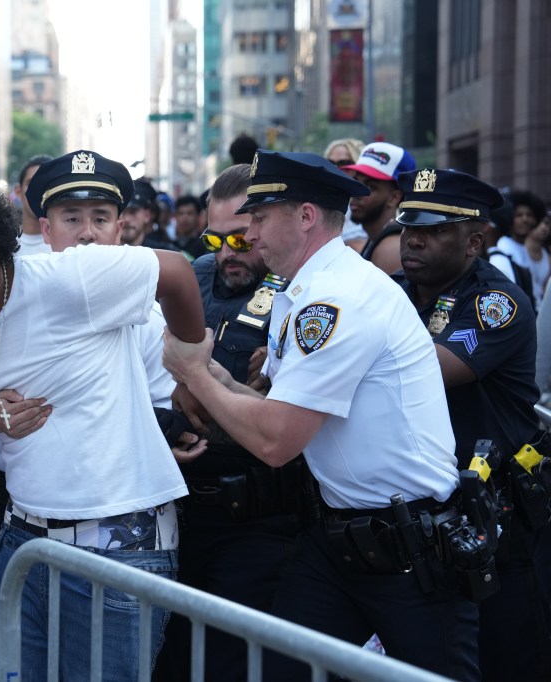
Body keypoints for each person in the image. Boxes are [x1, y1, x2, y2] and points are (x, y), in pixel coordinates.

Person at [0, 152, 206, 681]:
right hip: (21, 538)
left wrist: (189, 366)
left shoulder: (73, 278)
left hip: (119, 540)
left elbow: (179, 273)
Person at [162, 150, 479, 680]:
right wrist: (217, 378)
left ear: (306, 217)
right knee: (276, 665)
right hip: (340, 542)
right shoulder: (304, 293)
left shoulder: (339, 301)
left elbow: (277, 441)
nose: (251, 233)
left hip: (410, 550)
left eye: (260, 217)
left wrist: (195, 376)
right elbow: (281, 411)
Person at [155, 164, 312, 682]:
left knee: (230, 665)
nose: (227, 252)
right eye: (215, 237)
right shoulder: (191, 277)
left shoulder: (304, 296)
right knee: (169, 659)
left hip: (260, 521)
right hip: (178, 512)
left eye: (240, 238)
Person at [394, 167, 551, 681]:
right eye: (408, 225)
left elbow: (434, 371)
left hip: (495, 517)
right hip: (422, 516)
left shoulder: (494, 302)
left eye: (434, 229)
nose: (412, 238)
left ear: (474, 241)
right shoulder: (394, 292)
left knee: (506, 658)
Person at [344, 141, 416, 274]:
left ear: (394, 198)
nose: (357, 193)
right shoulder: (377, 238)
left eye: (370, 187)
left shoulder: (390, 249)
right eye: (356, 182)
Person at [323, 137, 367, 248]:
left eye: (345, 164)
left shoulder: (365, 205)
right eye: (330, 163)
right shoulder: (319, 200)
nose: (336, 169)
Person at [14, 154, 54, 256]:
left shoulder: (71, 247)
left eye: (48, 183)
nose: (40, 191)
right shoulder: (2, 247)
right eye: (32, 183)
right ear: (18, 192)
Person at [121, 179, 158, 247]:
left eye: (133, 212)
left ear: (147, 215)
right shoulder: (105, 253)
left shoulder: (162, 254)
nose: (126, 219)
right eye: (122, 211)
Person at [174, 194, 208, 260]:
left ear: (198, 216)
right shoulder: (169, 246)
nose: (185, 218)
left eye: (190, 213)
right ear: (175, 216)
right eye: (181, 213)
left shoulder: (205, 246)